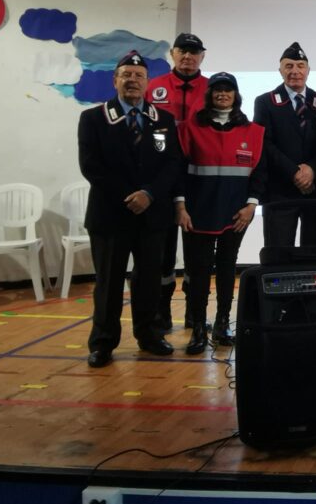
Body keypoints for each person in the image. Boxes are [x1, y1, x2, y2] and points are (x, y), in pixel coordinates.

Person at [78, 50, 181, 367]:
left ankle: (149, 336)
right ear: (115, 81)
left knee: (148, 281)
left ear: (148, 82)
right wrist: (130, 195)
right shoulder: (93, 119)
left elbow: (172, 164)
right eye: (126, 75)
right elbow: (91, 167)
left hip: (152, 215)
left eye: (139, 76)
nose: (133, 80)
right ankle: (103, 343)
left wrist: (149, 194)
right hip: (110, 215)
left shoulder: (163, 120)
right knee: (108, 283)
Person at [176, 72, 266, 354]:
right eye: (217, 90)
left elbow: (259, 173)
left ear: (236, 95)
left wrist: (251, 206)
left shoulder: (253, 131)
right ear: (210, 95)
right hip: (197, 213)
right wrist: (180, 206)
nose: (223, 94)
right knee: (198, 271)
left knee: (227, 269)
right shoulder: (190, 128)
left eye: (228, 90)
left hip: (236, 215)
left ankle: (223, 323)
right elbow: (178, 170)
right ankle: (198, 328)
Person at [146, 32, 209, 332]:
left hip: (198, 179)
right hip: (162, 179)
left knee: (197, 251)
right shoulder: (154, 87)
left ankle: (195, 315)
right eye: (182, 51)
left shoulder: (212, 88)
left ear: (202, 57)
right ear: (172, 53)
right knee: (163, 252)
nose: (188, 56)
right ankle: (161, 313)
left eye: (194, 52)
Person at [253, 42, 316, 247]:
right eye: (289, 66)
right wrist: (295, 172)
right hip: (280, 191)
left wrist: (312, 169)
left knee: (314, 255)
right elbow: (264, 143)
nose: (295, 71)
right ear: (280, 70)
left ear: (308, 70)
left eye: (300, 66)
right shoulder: (265, 102)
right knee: (279, 255)